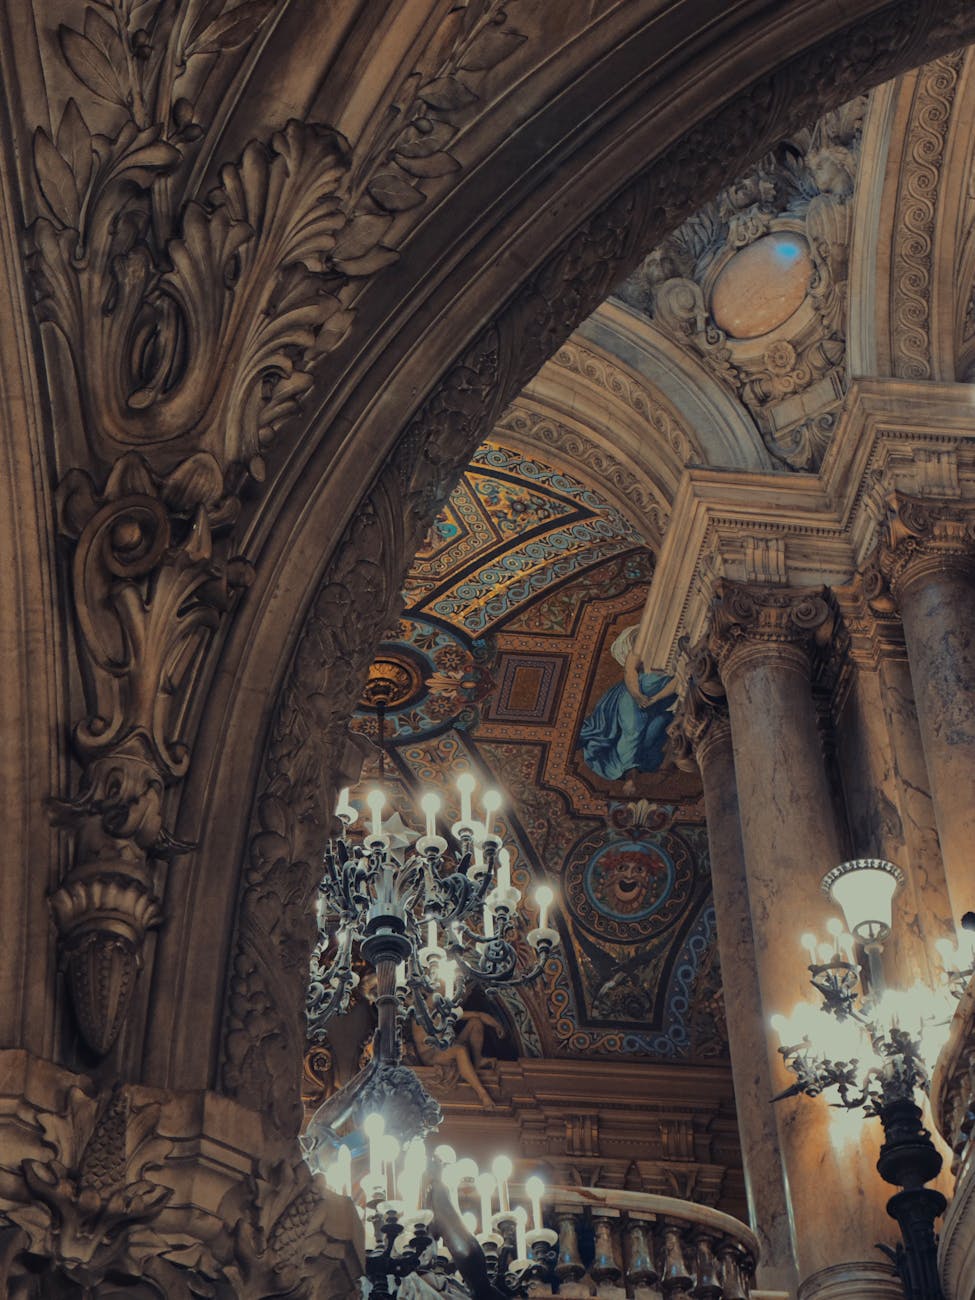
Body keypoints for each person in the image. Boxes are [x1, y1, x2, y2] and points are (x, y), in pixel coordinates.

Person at [579, 625, 677, 796]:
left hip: (662, 702)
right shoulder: (640, 650)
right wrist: (637, 695)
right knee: (634, 728)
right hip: (633, 695)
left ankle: (633, 771)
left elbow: (678, 682)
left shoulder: (680, 657)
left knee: (652, 736)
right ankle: (631, 775)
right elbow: (629, 671)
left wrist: (656, 698)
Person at [410, 1007, 504, 1109]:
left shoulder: (441, 1010)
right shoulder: (419, 1013)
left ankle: (478, 1060)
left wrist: (497, 1025)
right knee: (460, 1050)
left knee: (475, 1022)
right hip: (431, 1055)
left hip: (445, 1047)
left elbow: (478, 1014)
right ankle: (483, 1094)